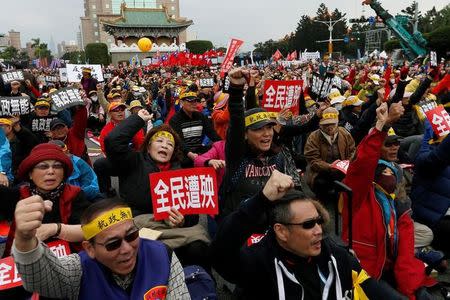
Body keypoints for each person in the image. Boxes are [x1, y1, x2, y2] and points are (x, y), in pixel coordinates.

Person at [211, 169, 404, 299]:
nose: (319, 230)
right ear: (281, 231)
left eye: (319, 221)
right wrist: (260, 200)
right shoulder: (260, 264)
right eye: (308, 224)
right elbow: (220, 254)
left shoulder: (336, 256)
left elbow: (377, 291)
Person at [342, 103, 435, 298]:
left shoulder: (395, 202)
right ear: (373, 178)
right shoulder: (360, 196)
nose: (391, 176)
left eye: (392, 172)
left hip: (390, 262)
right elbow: (362, 165)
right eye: (384, 172)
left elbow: (404, 243)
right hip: (368, 271)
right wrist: (381, 127)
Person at [12, 199, 190, 299]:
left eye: (131, 235)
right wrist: (24, 240)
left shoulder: (162, 254)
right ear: (89, 248)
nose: (127, 249)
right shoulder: (79, 268)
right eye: (113, 244)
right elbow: (42, 279)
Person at [105, 109, 210, 270]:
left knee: (198, 248)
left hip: (172, 231)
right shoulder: (133, 161)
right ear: (148, 147)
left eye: (170, 144)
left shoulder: (180, 173)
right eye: (159, 141)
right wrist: (138, 119)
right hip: (139, 228)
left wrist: (182, 220)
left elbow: (193, 216)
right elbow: (112, 141)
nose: (165, 146)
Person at [304, 107, 355, 201]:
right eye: (326, 124)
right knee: (320, 184)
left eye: (333, 124)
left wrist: (346, 163)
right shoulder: (313, 137)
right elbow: (313, 160)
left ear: (337, 123)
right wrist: (329, 166)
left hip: (343, 170)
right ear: (320, 125)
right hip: (321, 172)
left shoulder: (345, 133)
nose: (330, 127)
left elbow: (353, 151)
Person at [169, 88, 221, 167]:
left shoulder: (201, 116)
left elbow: (212, 133)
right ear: (182, 102)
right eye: (190, 101)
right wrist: (189, 153)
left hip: (199, 151)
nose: (194, 104)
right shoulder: (174, 120)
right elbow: (179, 141)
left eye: (195, 101)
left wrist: (222, 145)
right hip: (183, 155)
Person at [0, 116, 39, 183]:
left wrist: (20, 129)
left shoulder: (21, 141)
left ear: (9, 128)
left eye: (1, 127)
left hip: (20, 179)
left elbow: (34, 143)